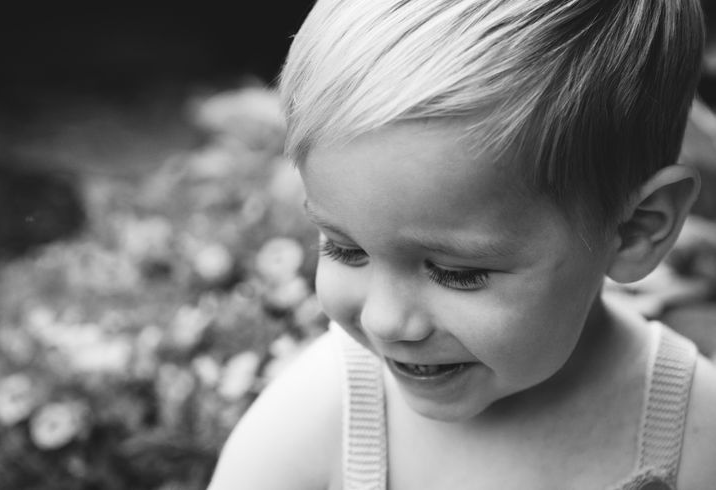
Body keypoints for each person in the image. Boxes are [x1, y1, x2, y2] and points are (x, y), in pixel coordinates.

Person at [208, 0, 716, 488]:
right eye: (345, 249)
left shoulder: (697, 438)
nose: (384, 320)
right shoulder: (320, 418)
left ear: (635, 230)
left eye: (455, 272)